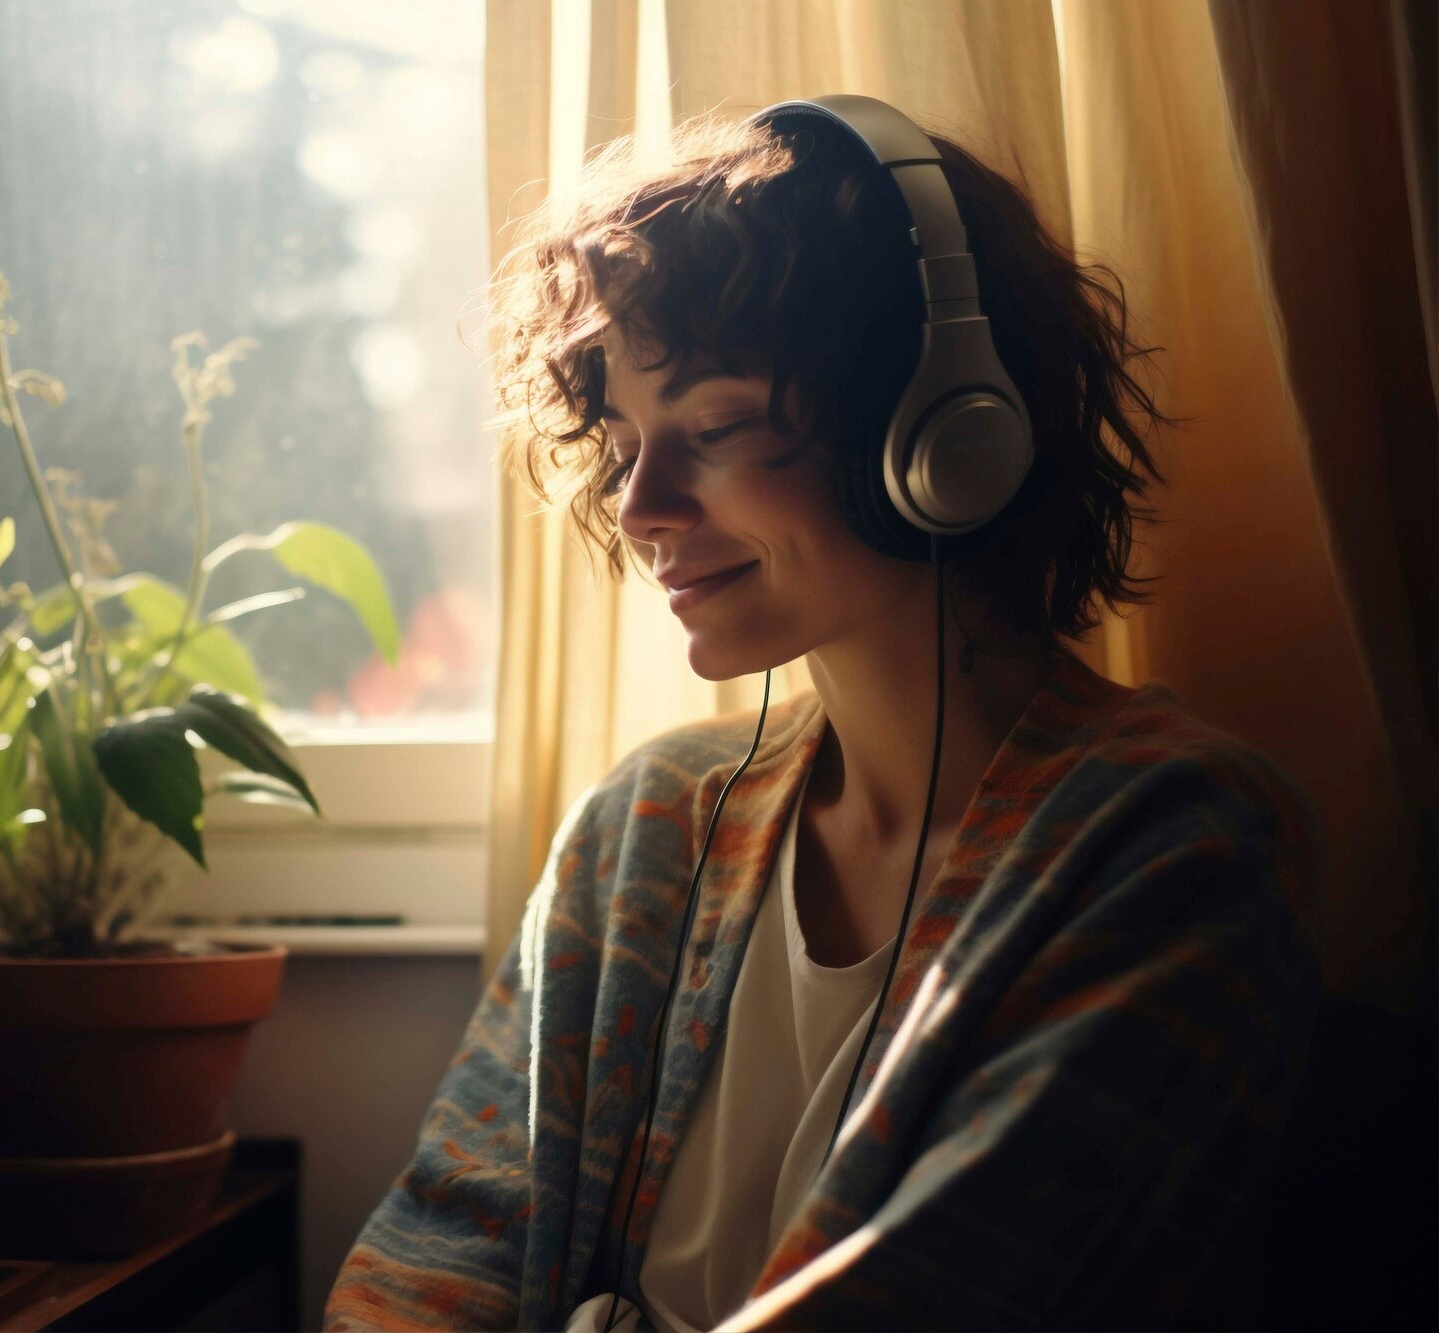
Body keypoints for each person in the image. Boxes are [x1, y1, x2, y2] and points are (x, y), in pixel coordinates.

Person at [324, 104, 1322, 1332]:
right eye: (627, 439)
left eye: (719, 426)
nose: (641, 506)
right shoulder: (643, 831)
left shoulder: (1175, 845)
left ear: (946, 431)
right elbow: (420, 1274)